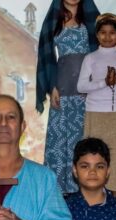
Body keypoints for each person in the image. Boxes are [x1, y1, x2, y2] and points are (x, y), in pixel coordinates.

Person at [37, 0, 99, 194]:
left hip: (88, 91)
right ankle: (58, 197)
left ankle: (87, 193)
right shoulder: (54, 19)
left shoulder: (93, 17)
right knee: (60, 145)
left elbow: (103, 52)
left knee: (85, 140)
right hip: (62, 90)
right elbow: (46, 55)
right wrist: (51, 86)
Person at [77, 13, 116, 196]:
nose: (107, 37)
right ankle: (92, 200)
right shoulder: (91, 58)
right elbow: (81, 86)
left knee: (115, 158)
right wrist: (104, 82)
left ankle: (114, 204)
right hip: (94, 113)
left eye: (112, 33)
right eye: (103, 33)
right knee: (93, 157)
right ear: (97, 35)